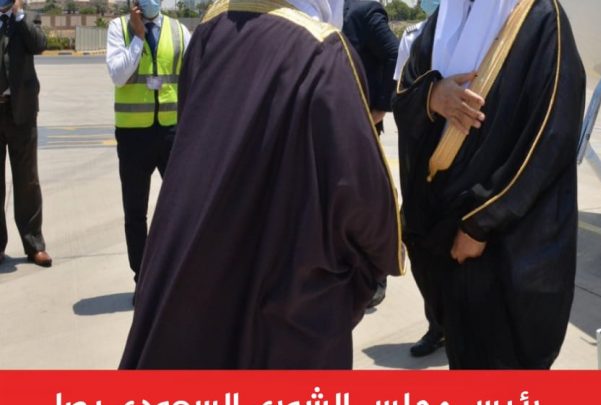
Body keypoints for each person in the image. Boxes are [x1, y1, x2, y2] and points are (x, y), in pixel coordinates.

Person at [119, 0, 403, 369]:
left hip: (201, 273)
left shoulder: (208, 30)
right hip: (289, 301)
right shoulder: (323, 51)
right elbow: (366, 207)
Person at [393, 0, 585, 369]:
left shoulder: (542, 20)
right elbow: (403, 94)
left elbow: (550, 137)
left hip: (503, 243)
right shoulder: (441, 21)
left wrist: (481, 224)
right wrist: (432, 96)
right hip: (447, 239)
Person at [106, 0, 190, 284]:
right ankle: (142, 279)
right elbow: (118, 76)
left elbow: (195, 75)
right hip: (133, 135)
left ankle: (178, 275)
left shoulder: (179, 31)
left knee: (183, 207)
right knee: (135, 211)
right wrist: (138, 37)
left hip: (172, 132)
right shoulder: (119, 28)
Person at [391, 0, 445, 358]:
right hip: (418, 155)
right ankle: (438, 322)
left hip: (460, 155)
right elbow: (400, 95)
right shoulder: (413, 37)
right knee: (417, 240)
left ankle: (452, 323)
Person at [341, 0, 399, 308]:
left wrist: (380, 105)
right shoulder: (330, 10)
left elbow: (394, 53)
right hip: (338, 123)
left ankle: (376, 278)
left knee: (366, 203)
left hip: (362, 124)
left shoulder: (364, 10)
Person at [0, 0, 51, 267]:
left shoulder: (29, 18)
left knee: (27, 181)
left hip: (21, 112)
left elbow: (39, 44)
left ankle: (34, 245)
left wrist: (18, 15)